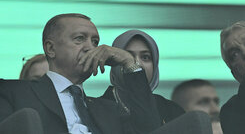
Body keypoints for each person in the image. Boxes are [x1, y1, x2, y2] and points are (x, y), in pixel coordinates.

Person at [0, 13, 162, 134]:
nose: (90, 48)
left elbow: (149, 129)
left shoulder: (109, 109)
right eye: (79, 39)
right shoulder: (12, 92)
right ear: (50, 48)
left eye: (95, 42)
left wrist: (129, 63)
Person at [101, 30, 185, 124]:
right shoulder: (95, 109)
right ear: (113, 63)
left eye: (145, 57)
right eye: (127, 58)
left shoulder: (172, 110)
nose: (137, 64)